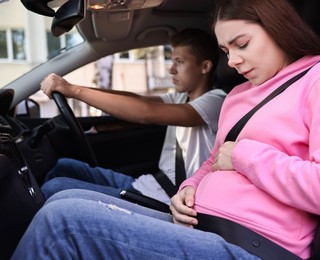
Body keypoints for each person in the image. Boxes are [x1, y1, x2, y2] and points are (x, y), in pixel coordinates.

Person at [11, 0, 320, 259]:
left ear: (278, 27)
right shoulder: (241, 95)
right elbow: (213, 162)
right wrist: (189, 188)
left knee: (63, 223)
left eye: (242, 44)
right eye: (227, 50)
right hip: (198, 224)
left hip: (253, 244)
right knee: (61, 197)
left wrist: (245, 156)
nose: (234, 60)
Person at [39, 28, 226, 204]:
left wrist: (75, 91)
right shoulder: (181, 97)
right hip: (151, 184)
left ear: (204, 67)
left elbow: (146, 112)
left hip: (166, 199)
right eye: (172, 61)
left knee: (56, 187)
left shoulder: (216, 101)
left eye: (179, 62)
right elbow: (137, 99)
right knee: (63, 166)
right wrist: (70, 88)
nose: (172, 69)